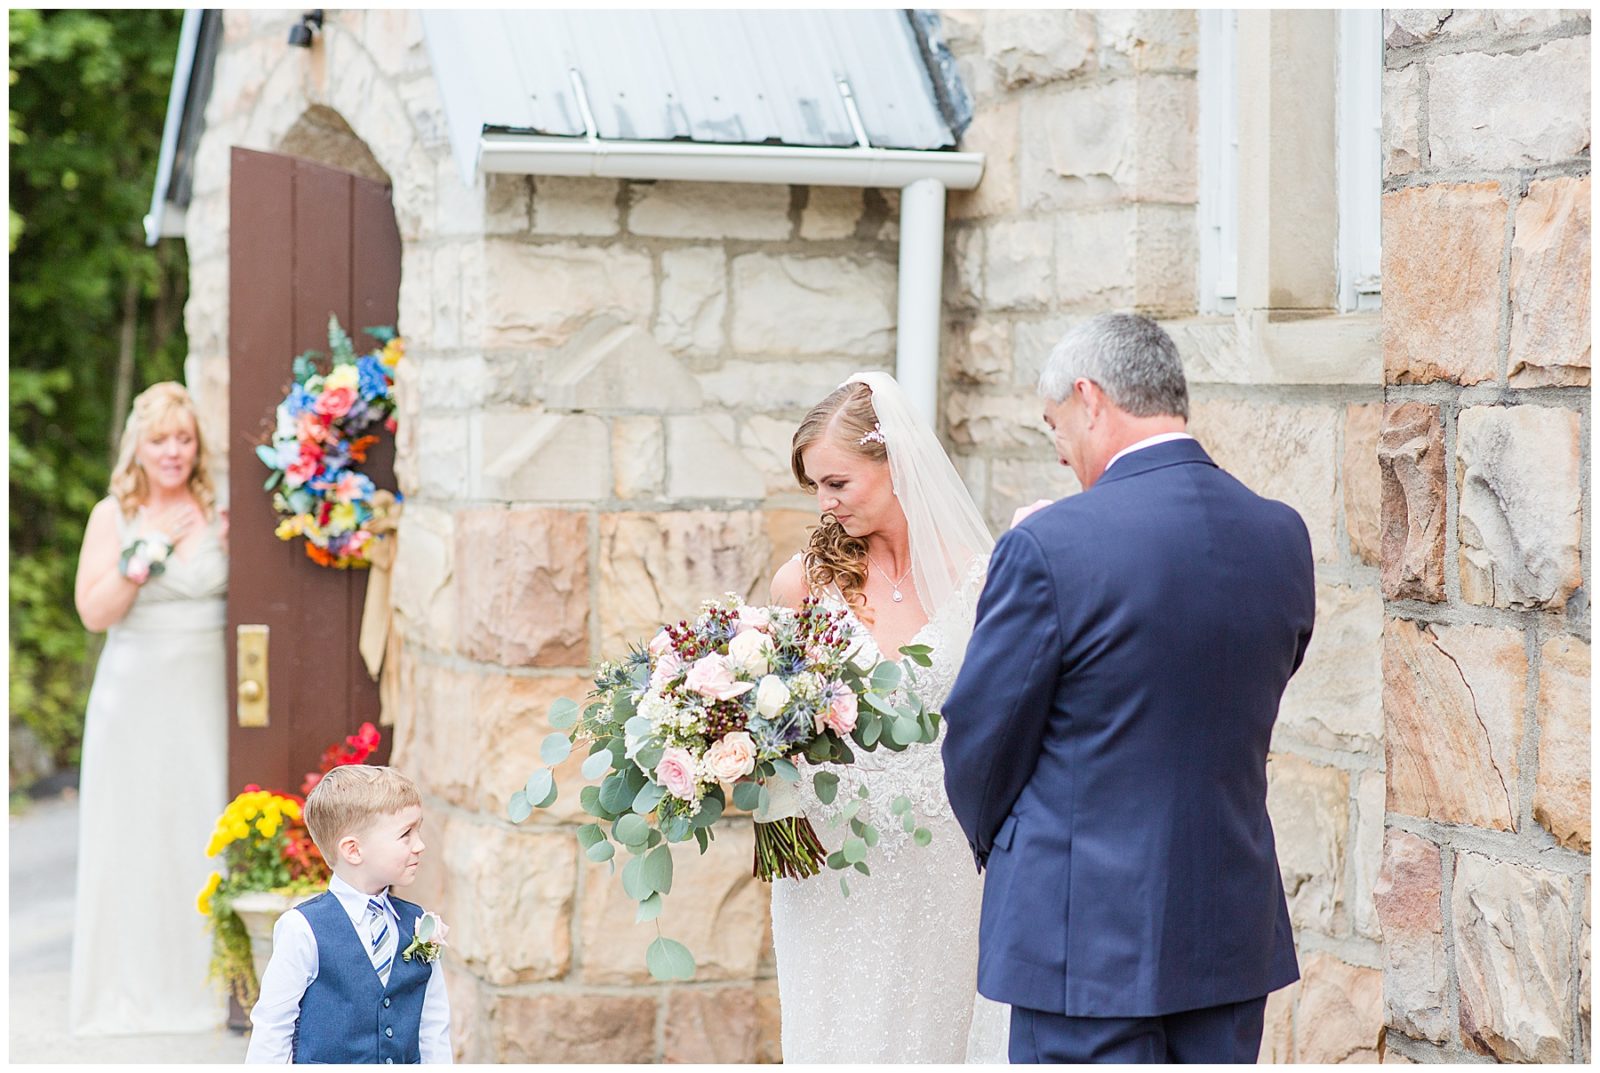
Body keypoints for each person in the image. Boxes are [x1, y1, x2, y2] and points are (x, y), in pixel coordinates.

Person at [941, 313, 1316, 1063]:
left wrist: (1015, 848)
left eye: (1055, 428)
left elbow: (980, 742)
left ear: (1090, 398)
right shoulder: (1282, 533)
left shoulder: (1050, 545)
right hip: (1227, 928)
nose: (1061, 454)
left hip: (1083, 941)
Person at [767, 371, 1009, 1063]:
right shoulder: (803, 584)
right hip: (833, 859)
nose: (824, 502)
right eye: (815, 485)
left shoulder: (985, 578)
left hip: (951, 856)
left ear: (895, 463)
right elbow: (776, 725)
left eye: (837, 482)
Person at [69, 381, 230, 1036]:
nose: (173, 451)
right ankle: (130, 988)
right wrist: (140, 559)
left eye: (184, 438)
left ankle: (210, 983)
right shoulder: (115, 514)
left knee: (199, 820)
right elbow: (93, 611)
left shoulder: (220, 511)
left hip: (206, 694)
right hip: (133, 696)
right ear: (138, 444)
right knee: (134, 833)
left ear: (197, 446)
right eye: (160, 438)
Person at [245, 764, 452, 1063]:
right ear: (353, 850)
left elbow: (433, 1025)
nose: (420, 845)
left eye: (418, 830)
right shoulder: (303, 929)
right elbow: (273, 1028)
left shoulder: (418, 924)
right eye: (406, 834)